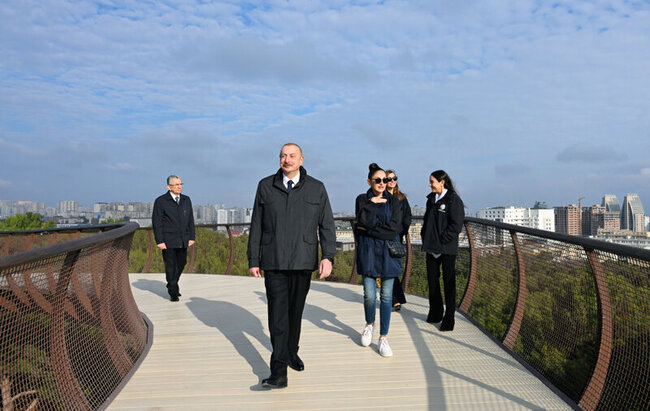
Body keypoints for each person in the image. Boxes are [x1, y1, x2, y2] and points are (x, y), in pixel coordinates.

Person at [247, 143, 336, 389]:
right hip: (274, 260)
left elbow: (326, 224)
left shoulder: (317, 188)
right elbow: (256, 224)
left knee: (295, 314)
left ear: (301, 159)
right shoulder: (265, 186)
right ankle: (278, 372)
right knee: (277, 316)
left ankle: (291, 352)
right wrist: (253, 259)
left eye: (292, 156)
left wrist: (327, 256)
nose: (287, 160)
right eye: (283, 156)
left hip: (303, 260)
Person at [355, 163, 403, 357]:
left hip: (388, 254)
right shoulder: (362, 200)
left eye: (386, 180)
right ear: (369, 181)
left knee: (386, 297)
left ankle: (383, 337)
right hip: (368, 253)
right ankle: (369, 324)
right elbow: (362, 221)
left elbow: (395, 228)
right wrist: (373, 204)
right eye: (378, 180)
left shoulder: (395, 202)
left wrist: (371, 230)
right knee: (368, 294)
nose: (383, 183)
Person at [421, 170, 465, 331]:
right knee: (433, 283)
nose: (430, 184)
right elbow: (427, 221)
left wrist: (442, 240)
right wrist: (425, 234)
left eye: (432, 181)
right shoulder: (431, 199)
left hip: (446, 249)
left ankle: (449, 319)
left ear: (442, 182)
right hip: (431, 248)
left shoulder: (454, 200)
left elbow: (456, 225)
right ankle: (435, 313)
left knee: (449, 284)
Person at [152, 175, 196, 302]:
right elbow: (157, 222)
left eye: (181, 184)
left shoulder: (186, 200)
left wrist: (192, 236)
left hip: (183, 239)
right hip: (168, 240)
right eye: (176, 184)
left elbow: (190, 220)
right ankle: (173, 292)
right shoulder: (161, 201)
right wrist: (159, 240)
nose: (180, 186)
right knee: (171, 266)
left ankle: (172, 283)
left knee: (182, 263)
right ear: (169, 187)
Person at [385, 169, 412, 312]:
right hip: (383, 237)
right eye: (389, 179)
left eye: (394, 178)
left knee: (394, 268)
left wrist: (402, 231)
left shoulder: (401, 198)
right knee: (386, 268)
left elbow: (408, 216)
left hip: (396, 237)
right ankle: (395, 299)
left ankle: (395, 299)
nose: (392, 181)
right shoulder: (381, 196)